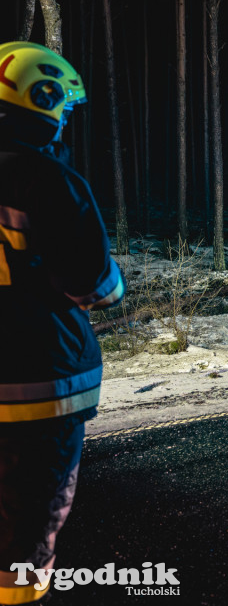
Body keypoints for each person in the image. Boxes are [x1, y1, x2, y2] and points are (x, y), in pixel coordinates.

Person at [0, 42, 124, 605]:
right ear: (41, 97)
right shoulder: (45, 179)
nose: (65, 117)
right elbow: (94, 284)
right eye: (62, 106)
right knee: (26, 536)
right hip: (37, 386)